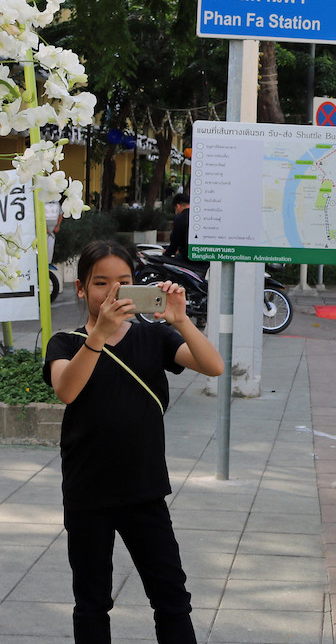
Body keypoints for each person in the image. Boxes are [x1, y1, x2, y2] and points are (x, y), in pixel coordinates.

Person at [42, 240, 224, 642]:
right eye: (101, 283)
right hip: (88, 493)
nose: (112, 292)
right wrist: (100, 335)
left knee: (171, 598)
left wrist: (181, 321)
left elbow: (214, 367)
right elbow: (66, 390)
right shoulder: (66, 343)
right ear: (81, 289)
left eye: (123, 282)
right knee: (92, 603)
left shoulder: (154, 337)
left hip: (144, 491)